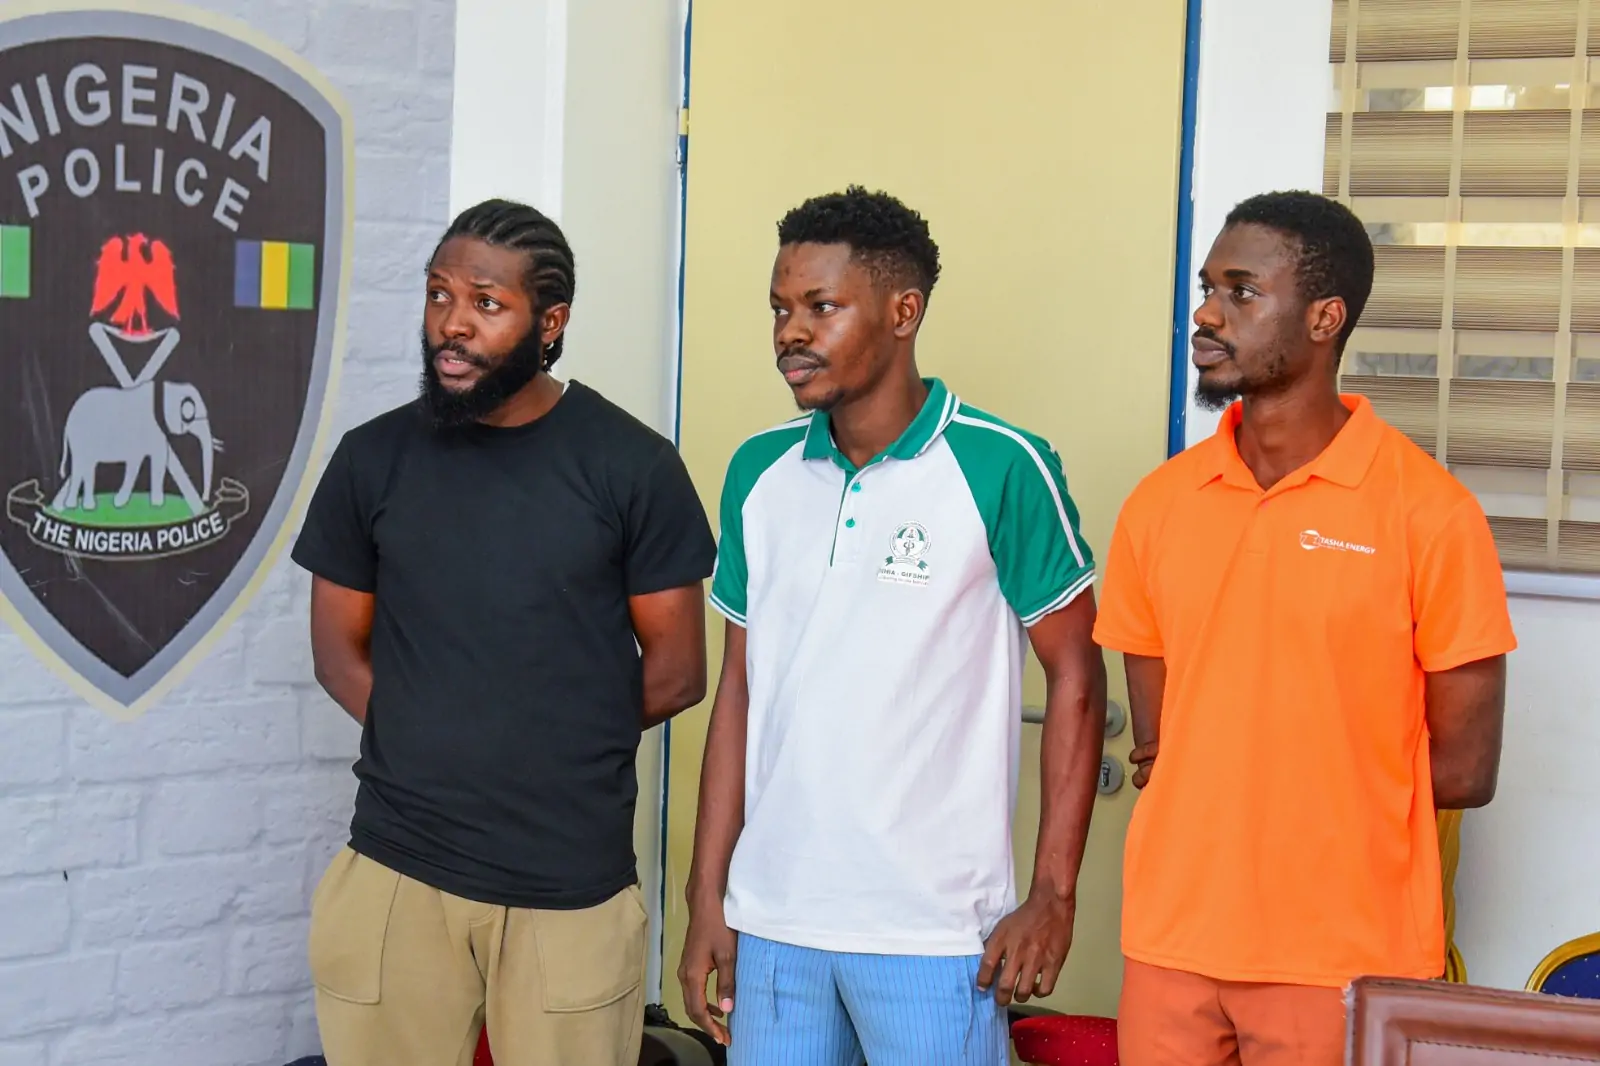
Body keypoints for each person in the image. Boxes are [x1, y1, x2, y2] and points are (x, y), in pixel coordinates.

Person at [678, 186, 1107, 1066]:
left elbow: (1078, 676)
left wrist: (1053, 894)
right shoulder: (759, 472)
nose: (791, 333)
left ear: (904, 312)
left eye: (821, 307)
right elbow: (740, 694)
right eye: (780, 309)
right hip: (775, 923)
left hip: (935, 934)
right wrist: (706, 897)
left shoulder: (1002, 465)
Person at [1094, 190, 1516, 1066]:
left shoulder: (1431, 514)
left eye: (1242, 291)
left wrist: (1303, 794)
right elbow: (1162, 737)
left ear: (1326, 318)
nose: (1207, 314)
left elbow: (1465, 770)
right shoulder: (1158, 505)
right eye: (1208, 289)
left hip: (1344, 958)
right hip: (1171, 943)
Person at [292, 199, 717, 1066]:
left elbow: (677, 671)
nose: (452, 324)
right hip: (397, 869)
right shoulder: (372, 459)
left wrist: (546, 745)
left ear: (550, 323)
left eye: (487, 304)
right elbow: (338, 651)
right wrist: (433, 738)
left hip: (570, 885)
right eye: (439, 295)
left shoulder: (631, 466)